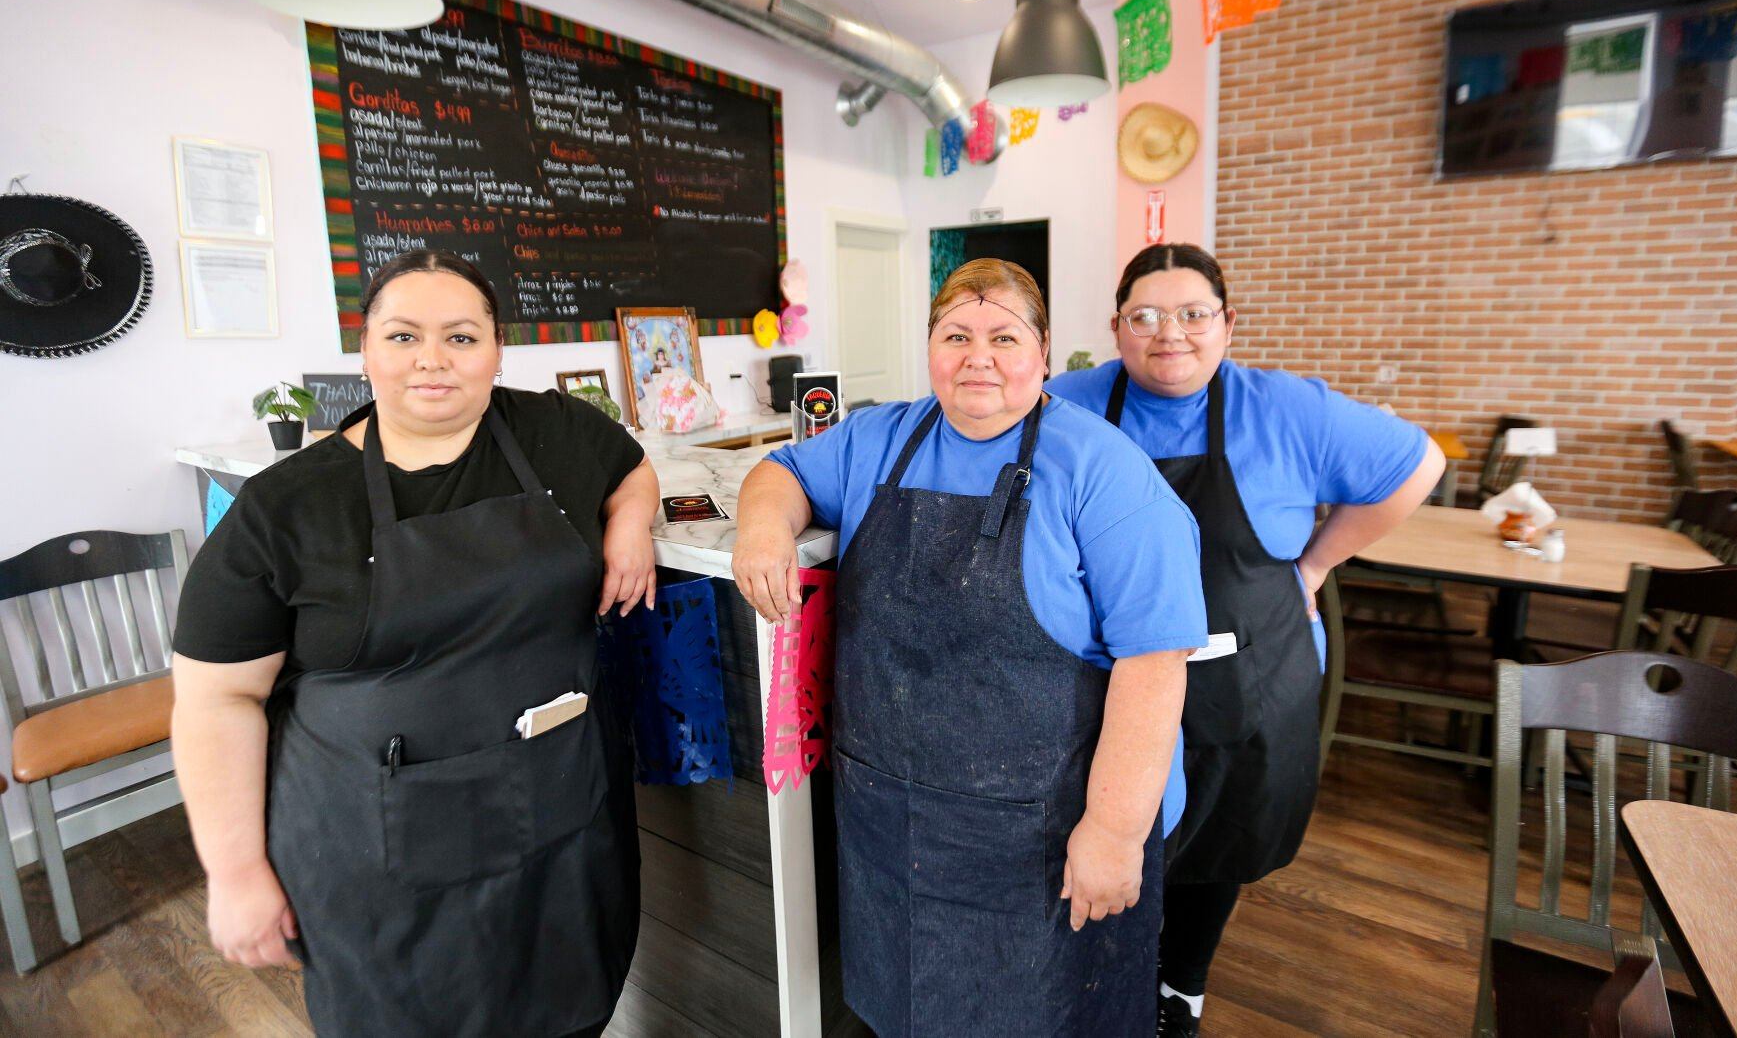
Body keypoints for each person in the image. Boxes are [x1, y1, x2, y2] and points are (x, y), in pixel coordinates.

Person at [170, 250, 660, 1037]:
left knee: (571, 1011)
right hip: (378, 858)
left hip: (562, 822)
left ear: (497, 349)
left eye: (461, 337)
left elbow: (632, 467)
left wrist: (632, 524)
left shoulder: (555, 429)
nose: (432, 359)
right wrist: (234, 873)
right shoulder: (284, 508)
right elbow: (216, 698)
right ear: (364, 351)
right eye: (403, 337)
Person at [733, 258, 1208, 1037]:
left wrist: (1116, 831)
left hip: (1048, 833)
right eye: (955, 334)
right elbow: (778, 471)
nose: (977, 355)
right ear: (930, 346)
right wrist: (761, 526)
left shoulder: (1102, 469)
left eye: (1003, 335)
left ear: (1044, 351)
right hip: (893, 820)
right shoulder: (878, 437)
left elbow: (1154, 663)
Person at [1047, 243, 1446, 1038]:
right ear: (1116, 327)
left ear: (1228, 323)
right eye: (1145, 316)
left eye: (1194, 314)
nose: (1171, 334)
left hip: (1249, 682)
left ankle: (1179, 993)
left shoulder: (1287, 409)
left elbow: (1418, 462)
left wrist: (1316, 563)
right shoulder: (1067, 404)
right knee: (1107, 831)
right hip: (1109, 683)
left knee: (1216, 847)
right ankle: (1103, 984)